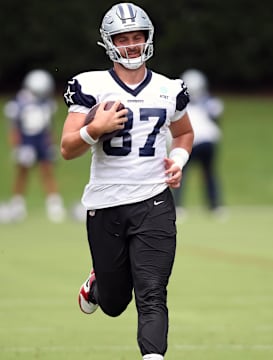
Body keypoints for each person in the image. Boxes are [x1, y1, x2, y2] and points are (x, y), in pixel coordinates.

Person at [60, 3, 194, 360]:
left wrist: (177, 161)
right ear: (109, 42)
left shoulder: (170, 88)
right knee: (116, 303)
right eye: (124, 38)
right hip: (106, 203)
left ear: (148, 39)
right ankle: (99, 284)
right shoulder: (91, 85)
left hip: (154, 201)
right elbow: (67, 148)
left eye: (138, 37)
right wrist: (94, 129)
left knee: (152, 292)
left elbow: (184, 134)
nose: (132, 45)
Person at [0, 69, 66, 223]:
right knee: (22, 173)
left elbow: (48, 126)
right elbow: (14, 128)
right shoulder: (19, 103)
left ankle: (54, 205)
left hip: (42, 141)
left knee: (47, 171)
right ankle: (18, 205)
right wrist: (17, 146)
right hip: (27, 141)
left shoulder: (47, 103)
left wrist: (51, 143)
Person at [172, 69, 224, 214]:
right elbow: (216, 119)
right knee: (208, 174)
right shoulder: (210, 101)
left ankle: (178, 206)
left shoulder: (181, 103)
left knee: (183, 173)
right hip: (206, 142)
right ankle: (215, 206)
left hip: (192, 143)